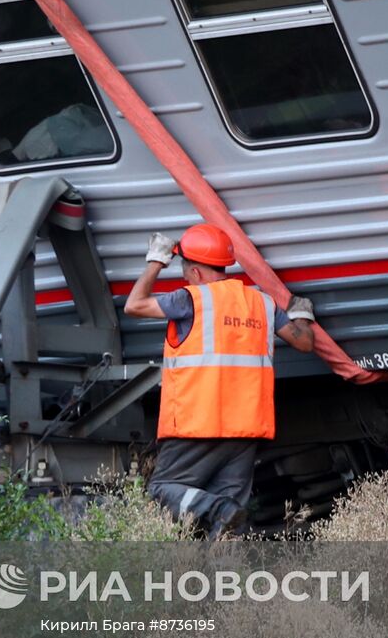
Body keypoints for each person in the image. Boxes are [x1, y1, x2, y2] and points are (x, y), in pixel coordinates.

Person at [123, 225, 316, 537]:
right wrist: (302, 317)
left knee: (161, 490)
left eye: (186, 272)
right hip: (245, 428)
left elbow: (134, 305)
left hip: (196, 423)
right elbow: (305, 343)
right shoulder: (263, 304)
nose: (186, 278)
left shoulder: (190, 299)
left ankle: (216, 509)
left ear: (197, 272)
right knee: (228, 525)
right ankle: (224, 579)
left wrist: (156, 262)